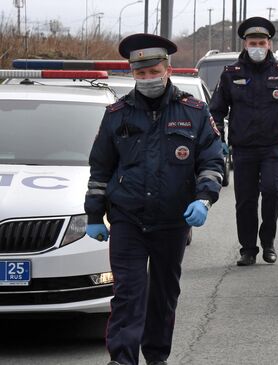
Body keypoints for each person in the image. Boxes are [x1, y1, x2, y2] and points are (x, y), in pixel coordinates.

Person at [84, 33, 224, 365]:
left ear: (167, 69)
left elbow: (212, 159)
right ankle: (122, 359)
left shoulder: (195, 112)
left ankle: (157, 357)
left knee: (163, 295)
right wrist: (93, 215)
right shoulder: (117, 114)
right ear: (133, 73)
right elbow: (100, 167)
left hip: (172, 221)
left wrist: (204, 199)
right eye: (140, 73)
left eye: (153, 71)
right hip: (127, 219)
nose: (147, 79)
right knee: (128, 294)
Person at [209, 17, 278, 266]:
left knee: (272, 192)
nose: (257, 46)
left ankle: (268, 242)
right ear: (245, 44)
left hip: (273, 147)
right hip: (242, 148)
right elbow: (216, 110)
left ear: (269, 44)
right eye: (252, 42)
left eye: (261, 42)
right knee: (245, 200)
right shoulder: (231, 74)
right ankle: (248, 249)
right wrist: (218, 138)